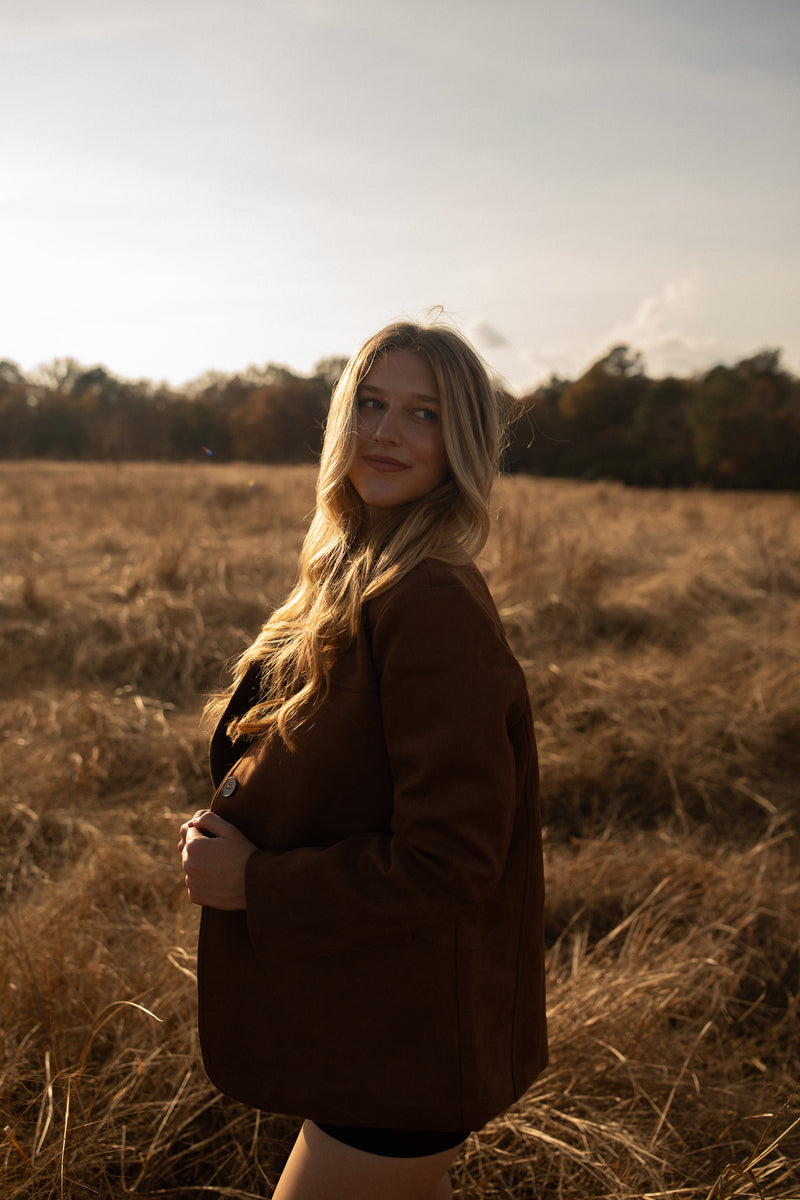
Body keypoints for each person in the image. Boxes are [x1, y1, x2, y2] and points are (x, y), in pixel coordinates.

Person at [179, 320, 548, 1200]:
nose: (386, 433)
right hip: (370, 1015)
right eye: (371, 404)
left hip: (406, 1037)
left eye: (422, 414)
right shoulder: (359, 567)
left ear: (459, 442)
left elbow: (451, 859)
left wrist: (256, 883)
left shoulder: (430, 600)